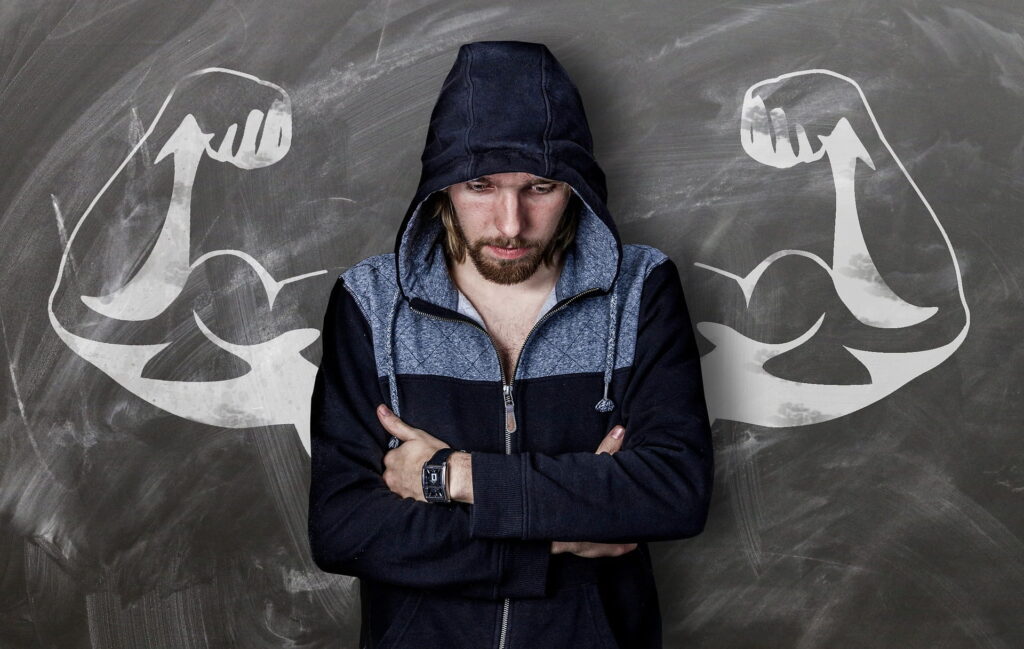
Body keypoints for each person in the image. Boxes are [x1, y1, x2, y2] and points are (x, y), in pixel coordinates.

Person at [308, 40, 714, 649]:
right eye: (479, 186)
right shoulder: (370, 301)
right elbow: (344, 529)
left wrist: (456, 479)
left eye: (540, 188)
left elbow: (672, 493)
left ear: (575, 187)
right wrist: (555, 538)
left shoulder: (641, 290)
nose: (510, 224)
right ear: (442, 187)